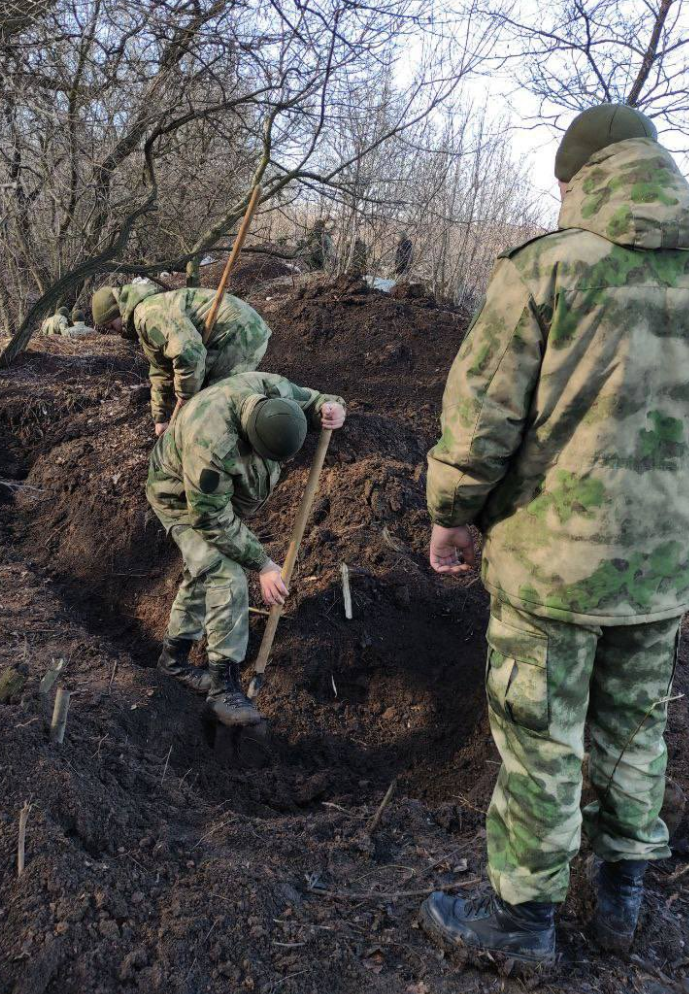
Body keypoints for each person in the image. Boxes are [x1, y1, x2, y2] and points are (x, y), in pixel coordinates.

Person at [420, 103, 689, 971]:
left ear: (576, 181)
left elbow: (482, 419)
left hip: (551, 565)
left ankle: (523, 922)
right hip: (664, 568)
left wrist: (450, 515)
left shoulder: (546, 270)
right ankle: (621, 897)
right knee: (635, 726)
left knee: (539, 738)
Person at [146, 371, 346, 727]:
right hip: (180, 497)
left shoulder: (274, 392)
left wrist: (329, 409)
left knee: (203, 568)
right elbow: (210, 520)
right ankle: (224, 690)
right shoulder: (211, 444)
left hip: (217, 500)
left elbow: (314, 399)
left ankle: (173, 662)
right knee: (224, 571)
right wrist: (264, 564)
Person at [91, 284, 272, 436]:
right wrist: (160, 417)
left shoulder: (149, 314)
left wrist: (185, 396)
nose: (117, 333)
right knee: (202, 396)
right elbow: (160, 370)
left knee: (217, 405)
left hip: (240, 333)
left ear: (118, 312)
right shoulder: (143, 322)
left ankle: (269, 430)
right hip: (228, 337)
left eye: (111, 326)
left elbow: (190, 354)